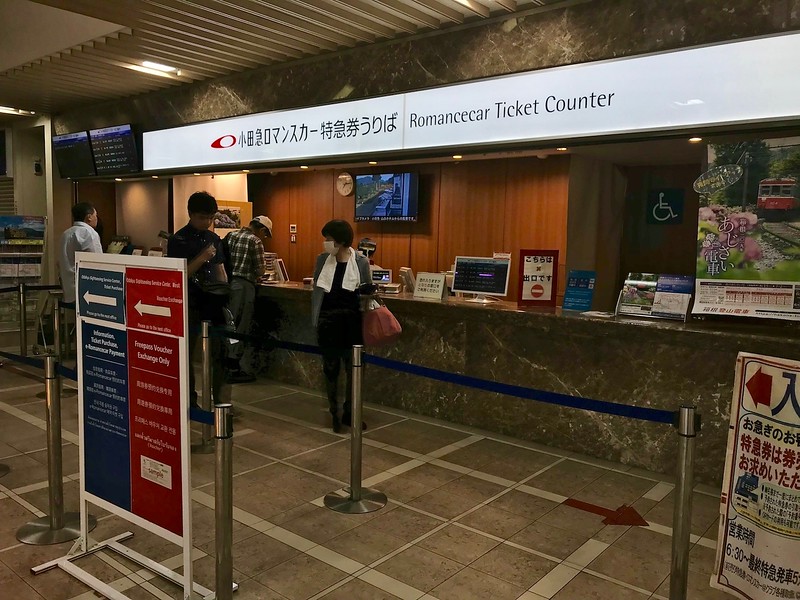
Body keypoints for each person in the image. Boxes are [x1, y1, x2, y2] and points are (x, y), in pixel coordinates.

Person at [312, 220, 374, 433]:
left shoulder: (360, 261)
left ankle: (350, 411)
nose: (326, 243)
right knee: (330, 368)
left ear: (340, 240)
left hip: (352, 321)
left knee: (353, 369)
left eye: (329, 239)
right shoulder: (322, 260)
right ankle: (333, 411)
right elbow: (317, 290)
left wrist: (368, 290)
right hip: (328, 320)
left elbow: (367, 292)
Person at [167, 191, 227, 408]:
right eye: (202, 217)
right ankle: (190, 400)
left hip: (214, 301)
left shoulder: (214, 238)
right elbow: (179, 275)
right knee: (187, 354)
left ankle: (220, 400)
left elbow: (220, 270)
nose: (207, 222)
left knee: (219, 351)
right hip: (190, 302)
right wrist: (202, 258)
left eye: (211, 218)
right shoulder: (178, 239)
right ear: (190, 214)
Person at [224, 216, 272, 382]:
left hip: (229, 284)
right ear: (262, 230)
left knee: (229, 323)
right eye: (266, 234)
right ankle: (233, 367)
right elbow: (260, 270)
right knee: (241, 325)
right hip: (245, 286)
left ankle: (225, 363)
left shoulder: (231, 235)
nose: (264, 237)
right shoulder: (255, 241)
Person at [59, 202, 103, 306]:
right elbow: (97, 261)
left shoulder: (66, 233)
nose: (97, 218)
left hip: (68, 286)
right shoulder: (89, 233)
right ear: (89, 217)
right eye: (95, 215)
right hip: (87, 287)